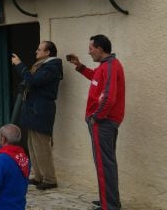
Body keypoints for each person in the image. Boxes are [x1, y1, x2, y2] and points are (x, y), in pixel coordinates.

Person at [67, 34, 125, 210]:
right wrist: (80, 66)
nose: (88, 51)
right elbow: (96, 80)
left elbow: (108, 97)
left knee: (104, 164)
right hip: (103, 122)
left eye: (91, 48)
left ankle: (110, 206)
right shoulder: (105, 66)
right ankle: (108, 201)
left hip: (103, 122)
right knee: (105, 163)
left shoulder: (109, 66)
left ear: (100, 49)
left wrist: (96, 118)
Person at [11, 41, 63, 190]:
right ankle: (39, 176)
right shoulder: (42, 65)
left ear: (47, 53)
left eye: (39, 49)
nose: (36, 51)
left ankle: (50, 179)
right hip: (34, 109)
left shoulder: (52, 67)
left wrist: (19, 64)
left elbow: (32, 81)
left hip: (41, 110)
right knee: (32, 145)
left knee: (42, 146)